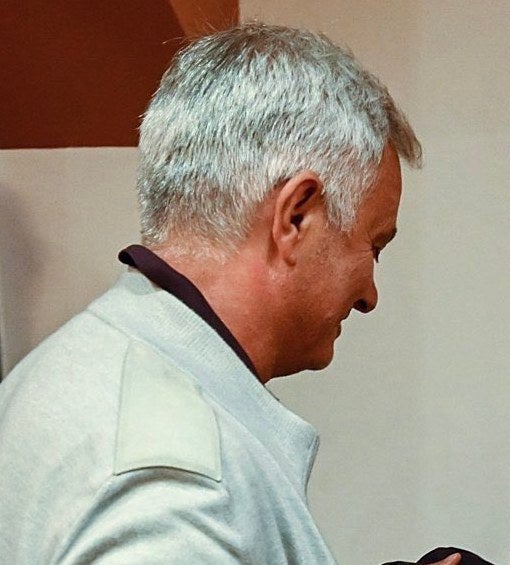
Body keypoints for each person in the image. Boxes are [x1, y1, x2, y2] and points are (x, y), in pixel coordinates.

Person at [0, 23, 460, 565]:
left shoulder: (73, 364)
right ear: (296, 217)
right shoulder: (175, 481)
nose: (369, 295)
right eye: (374, 246)